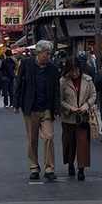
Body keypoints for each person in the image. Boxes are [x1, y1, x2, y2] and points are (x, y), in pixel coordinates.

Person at [13, 40, 61, 181]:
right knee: (32, 139)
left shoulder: (53, 69)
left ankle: (49, 168)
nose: (48, 56)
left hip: (46, 108)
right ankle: (34, 167)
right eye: (47, 53)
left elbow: (56, 90)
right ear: (39, 53)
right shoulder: (26, 64)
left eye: (50, 54)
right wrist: (16, 103)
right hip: (30, 108)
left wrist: (57, 108)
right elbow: (19, 83)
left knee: (49, 137)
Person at [60, 55, 97, 181]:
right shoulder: (63, 81)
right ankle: (70, 164)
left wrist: (86, 105)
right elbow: (60, 99)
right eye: (72, 70)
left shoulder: (88, 80)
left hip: (83, 117)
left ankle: (81, 169)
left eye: (76, 70)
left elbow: (93, 95)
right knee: (69, 143)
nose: (74, 73)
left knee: (82, 143)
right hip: (68, 118)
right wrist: (70, 108)